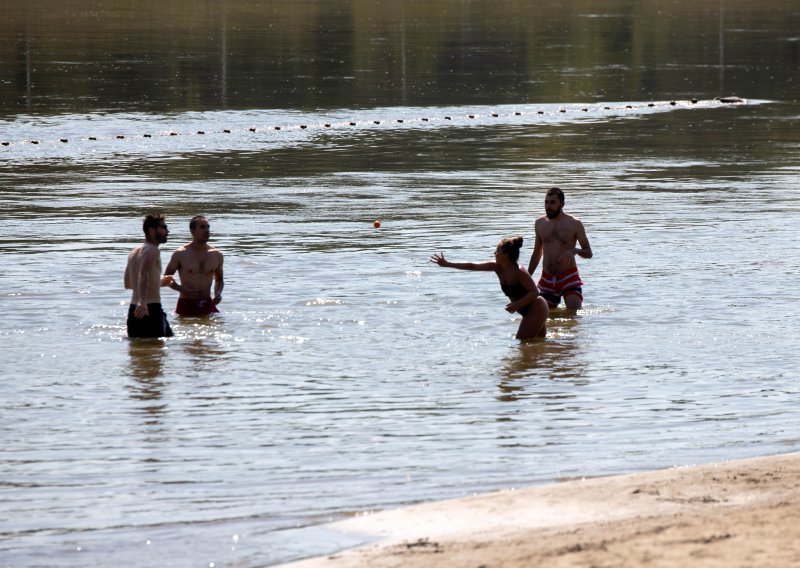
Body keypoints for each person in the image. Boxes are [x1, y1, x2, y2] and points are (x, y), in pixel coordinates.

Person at [430, 236, 549, 340]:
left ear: (505, 255)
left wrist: (517, 304)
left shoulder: (519, 271)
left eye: (497, 251)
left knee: (522, 344)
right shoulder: (496, 267)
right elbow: (473, 266)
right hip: (527, 310)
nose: (494, 254)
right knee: (539, 345)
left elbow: (535, 292)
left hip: (536, 308)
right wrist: (447, 264)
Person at [527, 187, 593, 310]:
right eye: (546, 202)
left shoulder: (575, 223)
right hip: (547, 279)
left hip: (569, 277)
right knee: (542, 316)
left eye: (552, 202)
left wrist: (575, 251)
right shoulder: (539, 223)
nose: (548, 206)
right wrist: (527, 277)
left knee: (573, 312)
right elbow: (537, 253)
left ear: (562, 204)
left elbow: (589, 252)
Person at [124, 213, 174, 338]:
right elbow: (143, 274)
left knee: (139, 354)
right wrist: (143, 302)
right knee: (157, 353)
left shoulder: (133, 253)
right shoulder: (152, 250)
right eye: (163, 227)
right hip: (149, 309)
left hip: (134, 310)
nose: (167, 231)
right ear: (152, 230)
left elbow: (129, 284)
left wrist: (159, 283)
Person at [163, 215, 224, 317]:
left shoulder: (217, 255)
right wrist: (181, 289)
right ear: (192, 231)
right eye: (202, 227)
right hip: (186, 303)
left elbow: (219, 280)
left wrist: (218, 293)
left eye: (208, 227)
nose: (207, 231)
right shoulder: (180, 253)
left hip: (207, 303)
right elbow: (166, 279)